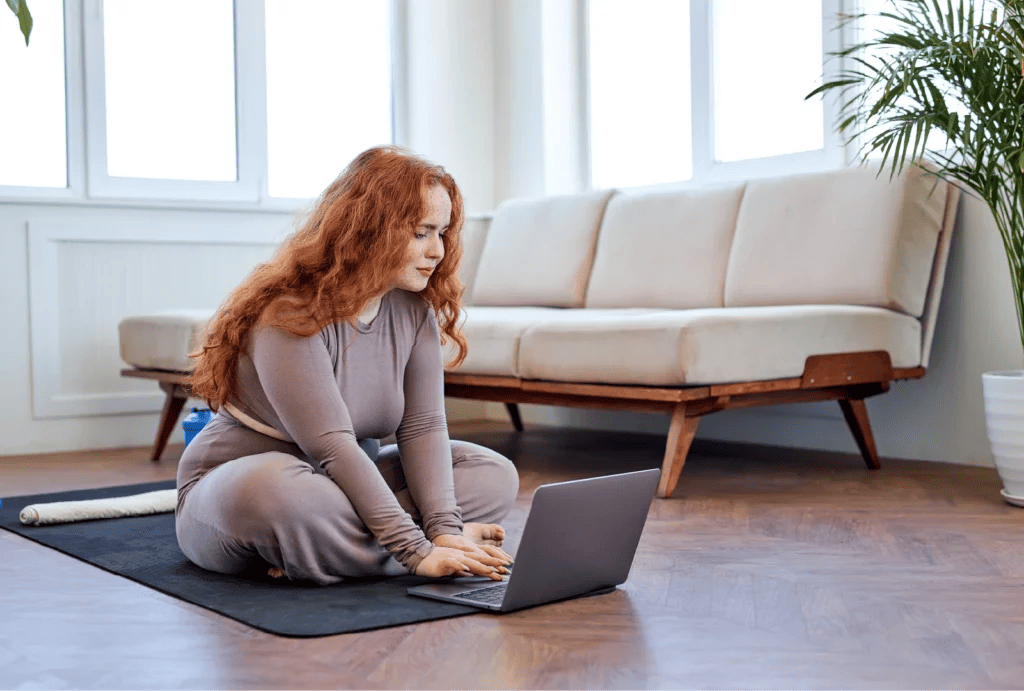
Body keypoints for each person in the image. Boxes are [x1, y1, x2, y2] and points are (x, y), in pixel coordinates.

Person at [178, 145, 519, 585]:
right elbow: (332, 446)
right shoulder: (289, 314)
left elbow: (423, 428)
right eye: (420, 233)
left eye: (443, 232)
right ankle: (381, 549)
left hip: (341, 492)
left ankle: (326, 553)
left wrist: (445, 529)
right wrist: (416, 551)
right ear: (368, 230)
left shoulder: (413, 313)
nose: (437, 250)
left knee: (492, 474)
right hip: (247, 491)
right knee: (281, 489)